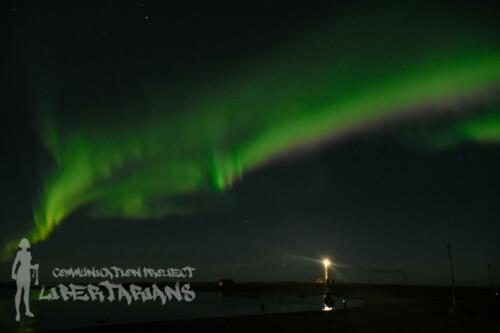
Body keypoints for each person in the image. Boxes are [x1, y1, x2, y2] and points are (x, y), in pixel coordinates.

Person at [11, 238, 38, 322]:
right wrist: (13, 273)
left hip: (27, 274)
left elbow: (27, 265)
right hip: (21, 273)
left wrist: (33, 267)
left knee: (26, 293)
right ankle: (18, 313)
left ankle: (27, 311)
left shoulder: (28, 254)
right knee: (19, 292)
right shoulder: (19, 253)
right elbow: (15, 263)